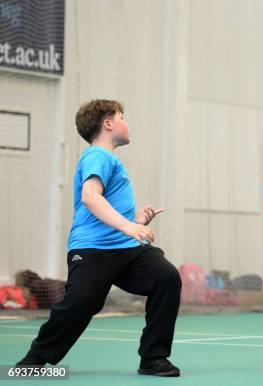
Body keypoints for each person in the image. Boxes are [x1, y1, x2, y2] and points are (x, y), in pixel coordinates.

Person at [16, 100, 182, 377]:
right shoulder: (98, 156)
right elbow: (90, 197)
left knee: (166, 277)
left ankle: (153, 358)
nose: (127, 123)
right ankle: (33, 361)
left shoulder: (109, 159)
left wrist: (135, 220)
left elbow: (106, 205)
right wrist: (130, 227)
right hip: (92, 249)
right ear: (107, 124)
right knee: (82, 304)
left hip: (127, 248)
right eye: (122, 117)